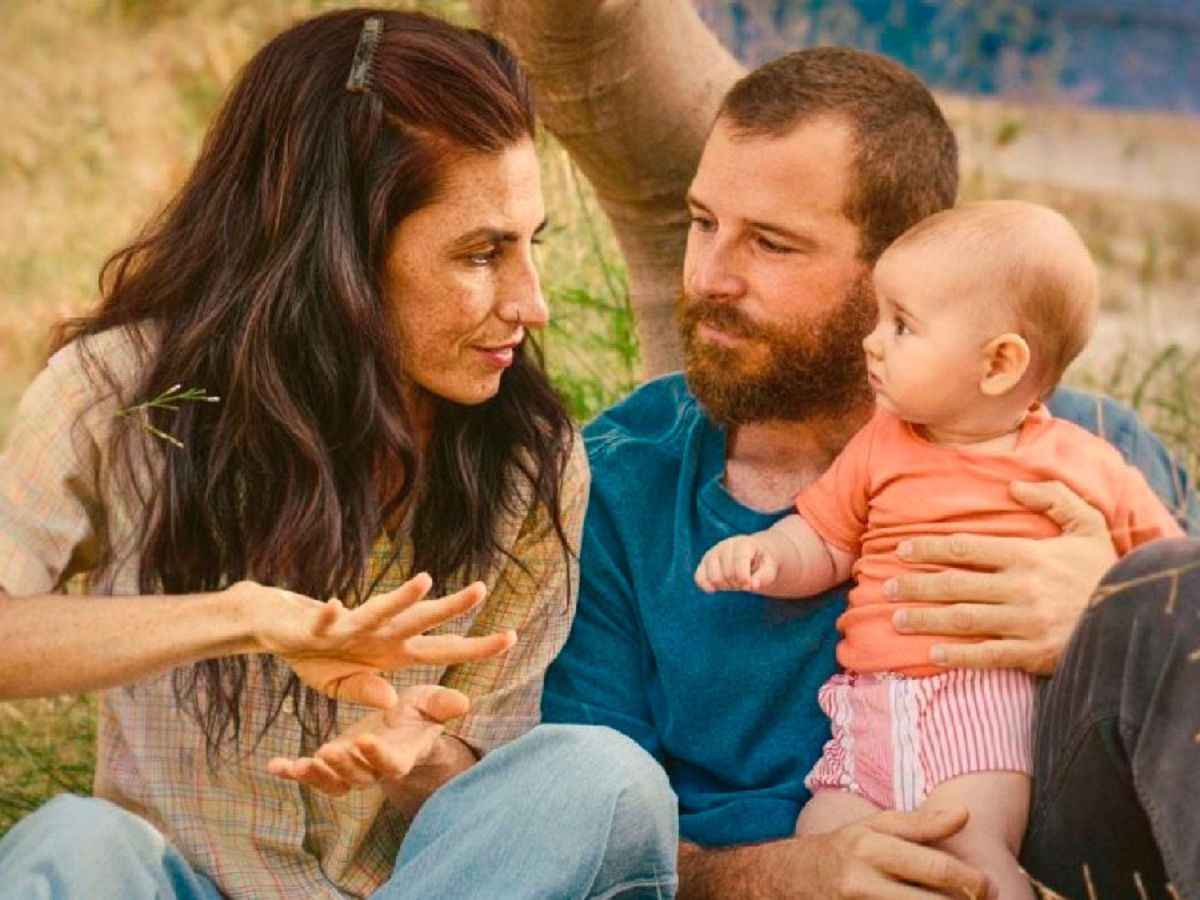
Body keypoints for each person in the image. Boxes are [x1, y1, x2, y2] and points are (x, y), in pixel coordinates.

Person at [0, 10, 677, 899]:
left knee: (606, 780)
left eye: (529, 246)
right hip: (172, 882)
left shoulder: (528, 459)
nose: (532, 303)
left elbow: (495, 809)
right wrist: (241, 615)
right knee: (73, 843)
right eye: (481, 253)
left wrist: (415, 750)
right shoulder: (128, 391)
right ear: (339, 254)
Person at [542, 47, 1200, 898]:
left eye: (772, 244)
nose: (708, 278)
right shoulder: (619, 485)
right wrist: (786, 878)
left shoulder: (1083, 449)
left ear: (901, 257)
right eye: (704, 222)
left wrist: (1111, 614)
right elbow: (580, 832)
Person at [694, 200, 1184, 898]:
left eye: (902, 325)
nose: (872, 342)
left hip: (976, 699)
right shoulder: (881, 445)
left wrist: (1103, 592)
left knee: (969, 850)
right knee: (828, 836)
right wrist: (768, 555)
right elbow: (826, 539)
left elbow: (1171, 591)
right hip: (867, 704)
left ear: (998, 364)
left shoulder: (1083, 463)